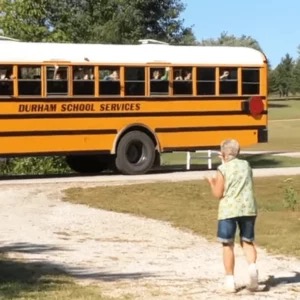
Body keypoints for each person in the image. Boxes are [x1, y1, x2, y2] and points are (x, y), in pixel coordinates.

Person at [205, 139, 258, 293]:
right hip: (248, 208)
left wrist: (212, 182)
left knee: (227, 244)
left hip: (229, 210)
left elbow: (218, 193)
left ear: (223, 153)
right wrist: (226, 159)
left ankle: (229, 280)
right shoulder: (246, 165)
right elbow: (237, 170)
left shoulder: (222, 169)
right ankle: (252, 268)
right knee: (247, 241)